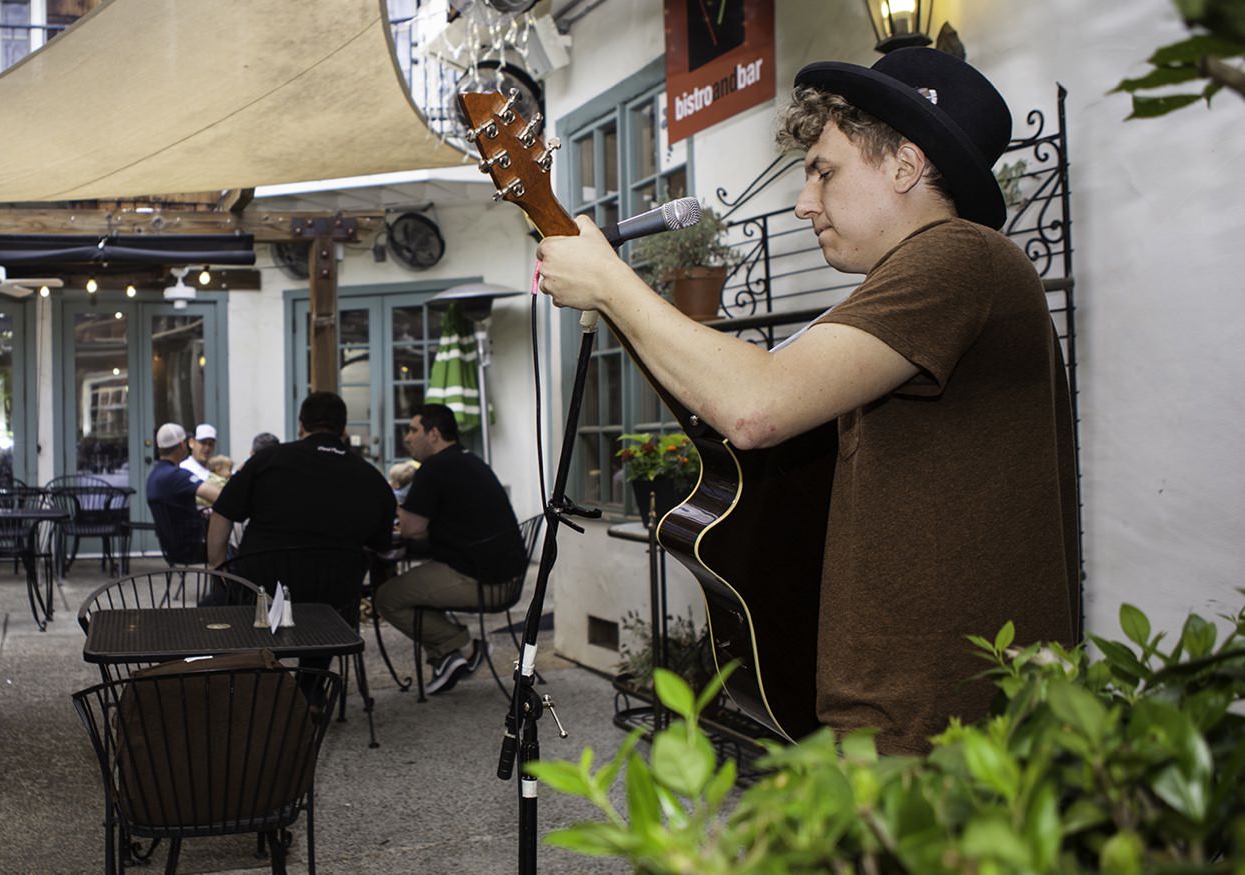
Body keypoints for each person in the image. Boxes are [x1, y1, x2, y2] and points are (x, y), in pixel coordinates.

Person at [535, 48, 1079, 754]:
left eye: (824, 170)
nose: (804, 200)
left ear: (905, 165)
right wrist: (609, 293)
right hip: (907, 713)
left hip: (943, 729)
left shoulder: (960, 257)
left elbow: (755, 405)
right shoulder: (914, 285)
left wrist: (611, 282)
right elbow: (728, 403)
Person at [373, 404, 527, 695]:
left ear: (433, 434)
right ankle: (449, 657)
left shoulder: (436, 467)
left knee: (387, 598)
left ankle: (462, 647)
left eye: (413, 430)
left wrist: (387, 503)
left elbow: (410, 529)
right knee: (414, 586)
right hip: (506, 575)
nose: (407, 438)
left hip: (483, 580)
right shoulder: (469, 460)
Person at [206, 392, 394, 586]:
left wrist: (218, 567)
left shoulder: (265, 461)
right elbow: (381, 546)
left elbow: (222, 513)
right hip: (335, 597)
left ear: (301, 426)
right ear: (343, 431)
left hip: (262, 592)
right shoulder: (372, 477)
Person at [146, 423, 222, 565]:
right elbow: (219, 496)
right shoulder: (177, 476)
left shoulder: (153, 476)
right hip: (191, 548)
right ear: (182, 445)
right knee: (232, 550)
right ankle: (232, 587)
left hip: (171, 549)